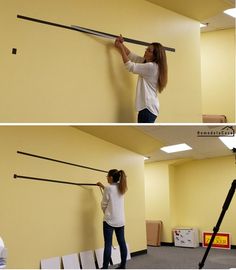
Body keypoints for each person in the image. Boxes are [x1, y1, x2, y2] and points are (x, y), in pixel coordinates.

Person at [115, 35, 168, 123]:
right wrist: (121, 44)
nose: (146, 51)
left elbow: (130, 66)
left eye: (149, 51)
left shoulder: (152, 67)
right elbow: (131, 56)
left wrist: (120, 47)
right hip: (149, 108)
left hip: (147, 108)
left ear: (155, 56)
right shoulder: (149, 64)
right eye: (146, 49)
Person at [97, 169, 128, 269]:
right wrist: (102, 186)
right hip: (120, 220)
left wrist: (107, 213)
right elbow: (111, 191)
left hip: (109, 221)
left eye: (107, 176)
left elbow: (103, 205)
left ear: (110, 177)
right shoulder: (122, 187)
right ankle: (123, 266)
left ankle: (105, 267)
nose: (106, 177)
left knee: (108, 244)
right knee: (122, 243)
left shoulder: (108, 188)